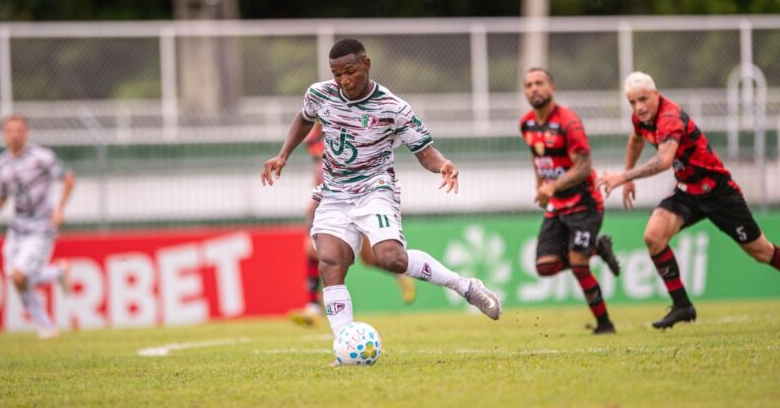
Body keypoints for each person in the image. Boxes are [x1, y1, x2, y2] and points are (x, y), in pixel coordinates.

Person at [262, 38, 501, 352]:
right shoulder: (320, 93)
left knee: (390, 258)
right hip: (334, 192)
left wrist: (443, 165)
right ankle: (345, 346)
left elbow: (424, 151)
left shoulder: (393, 108)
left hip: (375, 189)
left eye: (350, 72)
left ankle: (464, 286)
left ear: (367, 64)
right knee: (330, 263)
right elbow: (305, 117)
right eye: (337, 74)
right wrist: (283, 155)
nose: (344, 80)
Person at [597, 71, 780, 329]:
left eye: (643, 100)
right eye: (632, 102)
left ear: (656, 95)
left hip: (719, 193)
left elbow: (663, 161)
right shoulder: (642, 118)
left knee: (762, 252)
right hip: (688, 191)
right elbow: (635, 139)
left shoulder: (669, 118)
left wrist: (623, 175)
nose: (638, 107)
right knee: (653, 236)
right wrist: (629, 178)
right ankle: (682, 305)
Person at [519, 68, 621, 334]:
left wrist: (552, 186)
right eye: (529, 85)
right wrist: (540, 186)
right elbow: (537, 158)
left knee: (578, 264)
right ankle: (598, 248)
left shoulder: (568, 122)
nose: (534, 89)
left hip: (584, 203)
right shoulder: (527, 124)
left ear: (552, 88)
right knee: (544, 266)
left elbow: (584, 166)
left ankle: (605, 324)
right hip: (557, 204)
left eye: (539, 83)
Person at [289, 123, 416, 326]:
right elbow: (319, 171)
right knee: (311, 250)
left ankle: (399, 274)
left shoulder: (350, 131)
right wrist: (316, 197)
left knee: (370, 259)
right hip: (329, 200)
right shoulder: (312, 140)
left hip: (358, 199)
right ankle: (313, 307)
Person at [0, 116, 75, 338]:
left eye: (19, 130)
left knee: (21, 276)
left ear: (27, 132)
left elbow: (68, 178)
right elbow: (2, 198)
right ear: (4, 134)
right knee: (16, 278)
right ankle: (48, 324)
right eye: (10, 131)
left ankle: (54, 286)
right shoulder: (0, 164)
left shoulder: (41, 157)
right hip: (17, 228)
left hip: (41, 226)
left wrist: (59, 209)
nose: (15, 135)